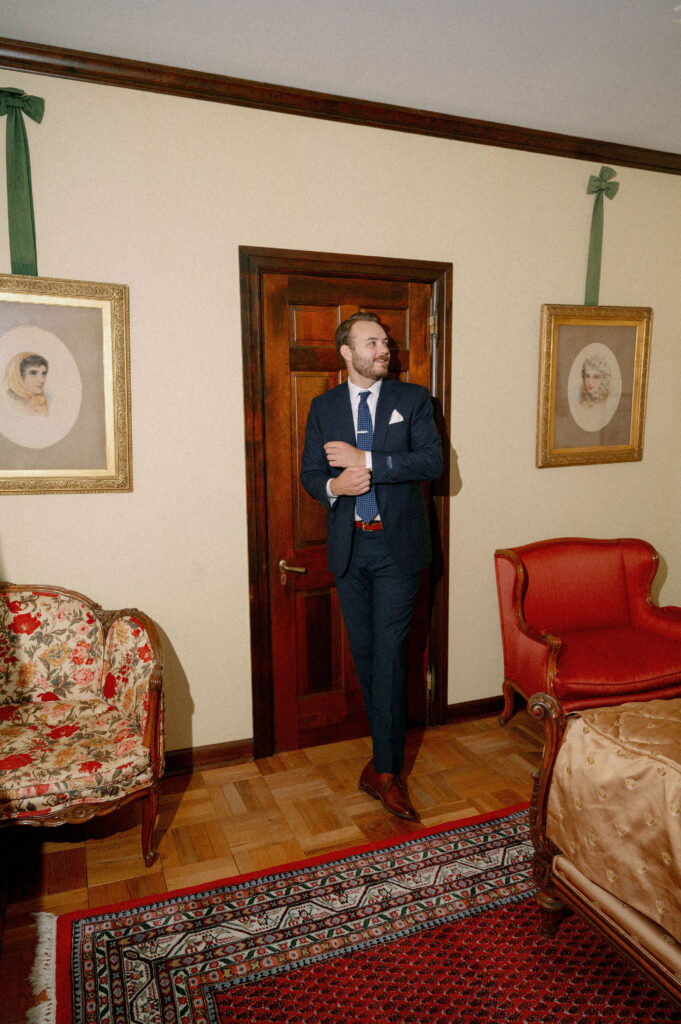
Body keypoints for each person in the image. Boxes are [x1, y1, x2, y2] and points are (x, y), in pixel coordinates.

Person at [301, 312, 444, 821]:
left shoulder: (413, 400)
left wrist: (366, 460)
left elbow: (432, 462)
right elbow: (310, 474)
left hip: (397, 551)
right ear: (347, 352)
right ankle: (379, 767)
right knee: (366, 657)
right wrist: (333, 488)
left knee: (390, 657)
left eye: (385, 341)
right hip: (350, 549)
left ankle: (387, 772)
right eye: (372, 342)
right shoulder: (324, 406)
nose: (384, 348)